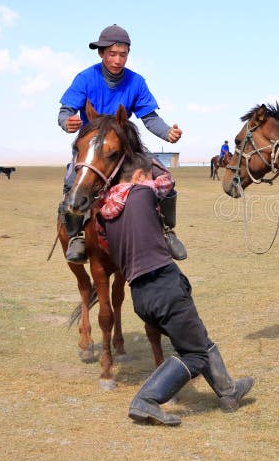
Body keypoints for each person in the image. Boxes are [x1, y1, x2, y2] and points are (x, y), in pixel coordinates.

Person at [99, 152, 254, 426]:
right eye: (144, 176)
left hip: (140, 294)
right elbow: (166, 182)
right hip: (164, 286)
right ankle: (146, 400)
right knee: (194, 355)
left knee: (197, 339)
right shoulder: (141, 194)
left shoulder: (105, 216)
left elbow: (109, 248)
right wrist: (148, 163)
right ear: (137, 177)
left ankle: (228, 392)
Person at [57, 24, 186, 263]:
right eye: (112, 54)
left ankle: (167, 232)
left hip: (124, 144)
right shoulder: (86, 78)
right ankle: (77, 236)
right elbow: (65, 112)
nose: (118, 60)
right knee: (70, 180)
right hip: (94, 145)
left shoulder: (136, 82)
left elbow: (150, 118)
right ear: (101, 53)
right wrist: (68, 123)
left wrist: (167, 132)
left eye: (123, 54)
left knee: (164, 178)